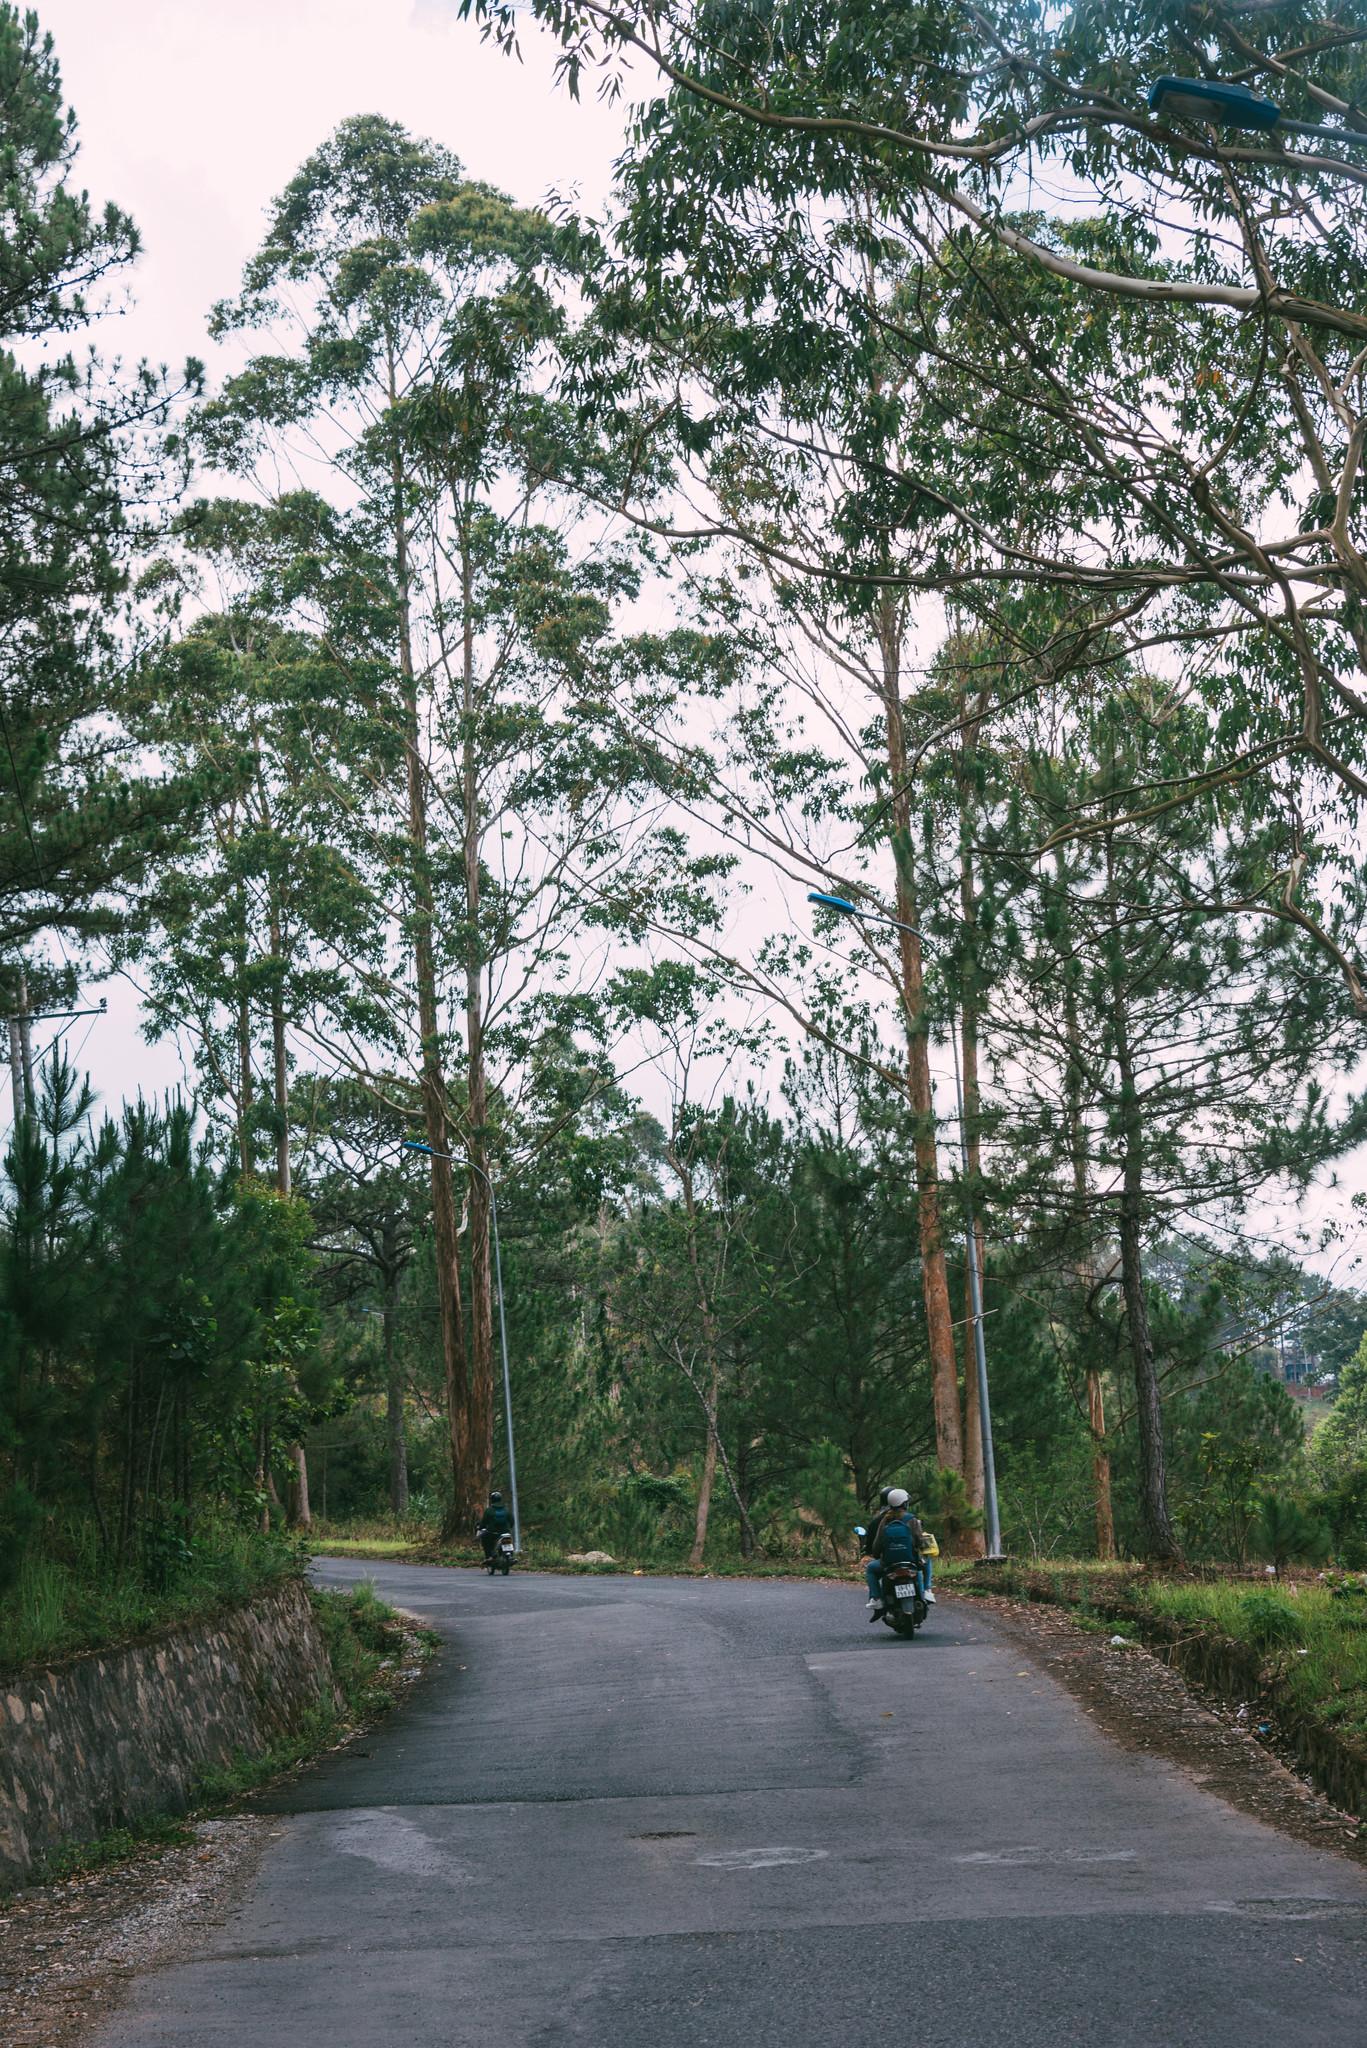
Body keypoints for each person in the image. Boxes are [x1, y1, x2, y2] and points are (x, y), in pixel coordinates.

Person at [868, 1489, 934, 1613]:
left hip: (888, 1563)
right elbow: (920, 1541)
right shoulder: (912, 1520)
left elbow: (877, 1544)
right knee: (928, 1560)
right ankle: (927, 1590)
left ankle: (876, 1598)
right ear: (904, 1504)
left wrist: (877, 1555)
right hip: (911, 1561)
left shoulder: (884, 1521)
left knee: (871, 1568)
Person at [476, 1489, 513, 1562]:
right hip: (505, 1532)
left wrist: (480, 1527)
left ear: (492, 1500)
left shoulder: (489, 1510)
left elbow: (484, 1522)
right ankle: (510, 1555)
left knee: (485, 1539)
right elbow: (512, 1521)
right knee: (509, 1540)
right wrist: (508, 1528)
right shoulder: (506, 1509)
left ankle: (489, 1556)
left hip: (492, 1532)